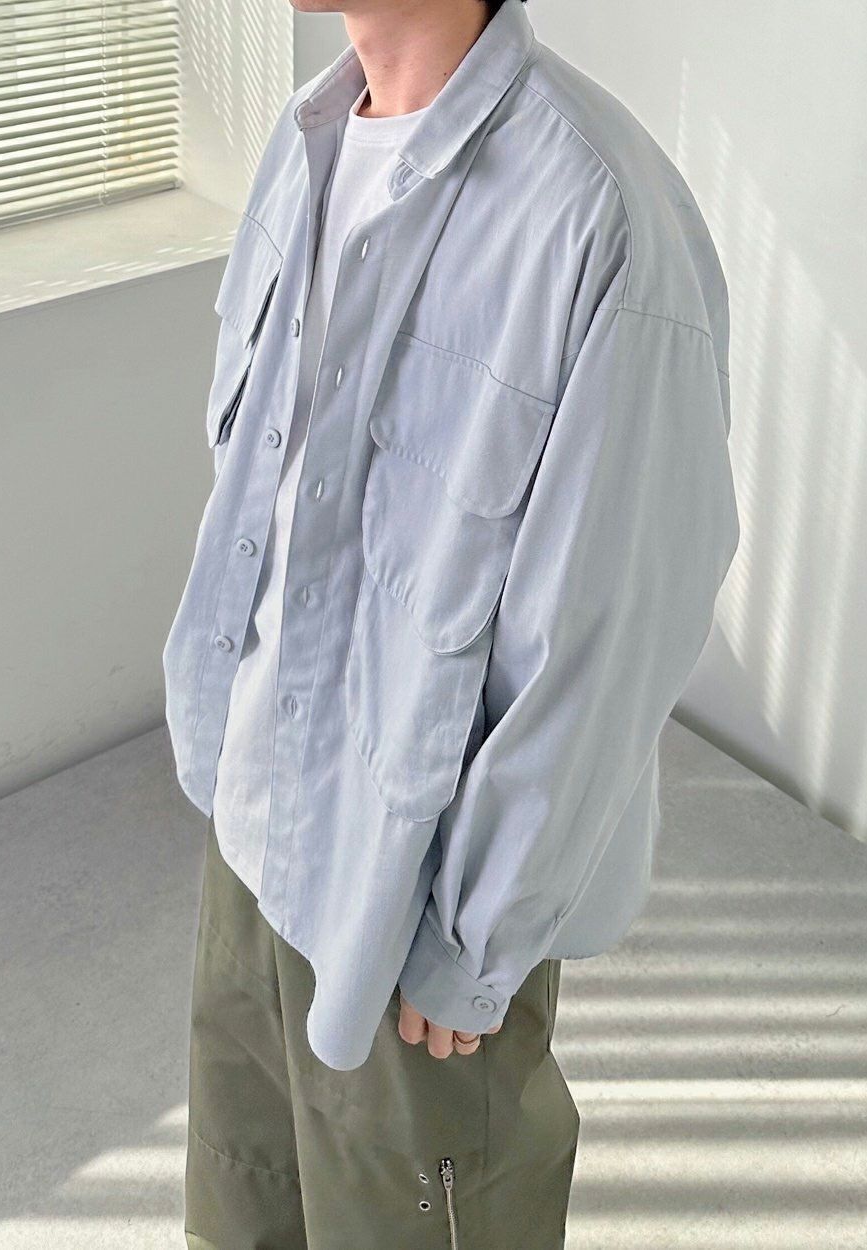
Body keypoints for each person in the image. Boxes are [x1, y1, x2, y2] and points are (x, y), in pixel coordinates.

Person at [162, 0, 740, 1244]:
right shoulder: (305, 139)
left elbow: (608, 638)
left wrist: (476, 937)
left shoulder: (596, 217)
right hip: (250, 831)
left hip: (407, 898)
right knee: (239, 1212)